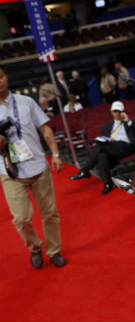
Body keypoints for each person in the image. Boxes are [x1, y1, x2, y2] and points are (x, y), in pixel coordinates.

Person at [0, 66, 67, 269]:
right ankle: (35, 247)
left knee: (50, 213)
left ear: (6, 77)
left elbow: (45, 129)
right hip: (9, 172)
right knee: (20, 218)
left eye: (0, 76)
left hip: (38, 167)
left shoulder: (26, 102)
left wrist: (55, 154)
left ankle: (54, 250)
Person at [69, 101, 135, 195]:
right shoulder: (107, 127)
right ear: (111, 113)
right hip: (114, 147)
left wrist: (128, 121)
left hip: (127, 147)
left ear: (122, 112)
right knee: (102, 155)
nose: (117, 113)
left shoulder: (129, 123)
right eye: (115, 111)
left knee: (100, 146)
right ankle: (107, 184)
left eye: (119, 111)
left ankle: (84, 170)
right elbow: (105, 140)